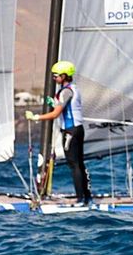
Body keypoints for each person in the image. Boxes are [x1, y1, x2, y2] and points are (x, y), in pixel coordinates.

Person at [26, 61, 92, 205]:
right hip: (77, 129)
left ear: (64, 76)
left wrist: (36, 117)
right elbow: (64, 107)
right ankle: (86, 197)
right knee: (79, 164)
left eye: (56, 76)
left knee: (74, 164)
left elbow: (56, 114)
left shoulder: (66, 91)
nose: (54, 78)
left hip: (70, 132)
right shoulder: (72, 88)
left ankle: (81, 199)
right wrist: (52, 103)